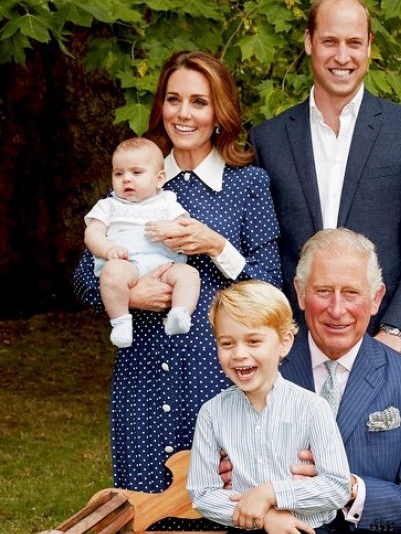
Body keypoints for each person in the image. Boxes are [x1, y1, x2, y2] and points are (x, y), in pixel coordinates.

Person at [74, 50, 282, 492]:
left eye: (199, 102)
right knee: (145, 505)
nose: (183, 113)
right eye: (173, 99)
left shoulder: (247, 184)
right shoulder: (135, 177)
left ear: (220, 112)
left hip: (219, 374)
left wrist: (217, 246)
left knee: (226, 504)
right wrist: (129, 297)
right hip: (143, 374)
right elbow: (81, 276)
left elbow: (270, 284)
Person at [248, 0, 401, 351]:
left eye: (354, 42)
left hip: (385, 342)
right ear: (309, 41)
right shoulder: (267, 140)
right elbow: (264, 249)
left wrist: (395, 330)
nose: (343, 56)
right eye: (330, 41)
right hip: (293, 347)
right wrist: (281, 330)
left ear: (369, 46)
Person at [221, 228, 401, 533]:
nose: (337, 309)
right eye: (324, 291)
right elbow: (228, 482)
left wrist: (350, 489)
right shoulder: (259, 371)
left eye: (352, 293)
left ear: (375, 298)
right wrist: (265, 515)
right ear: (301, 293)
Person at [188, 280, 350, 533]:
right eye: (227, 343)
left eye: (253, 341)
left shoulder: (312, 408)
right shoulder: (212, 412)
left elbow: (336, 487)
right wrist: (265, 517)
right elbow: (203, 493)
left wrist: (271, 493)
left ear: (284, 343)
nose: (239, 353)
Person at [84, 137, 200, 348]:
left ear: (159, 179)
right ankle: (120, 321)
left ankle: (179, 313)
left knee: (189, 275)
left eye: (136, 173)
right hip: (127, 264)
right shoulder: (108, 205)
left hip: (165, 264)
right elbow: (92, 233)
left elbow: (186, 228)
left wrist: (173, 228)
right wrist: (108, 249)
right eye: (119, 173)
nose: (126, 179)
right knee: (112, 273)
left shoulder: (168, 202)